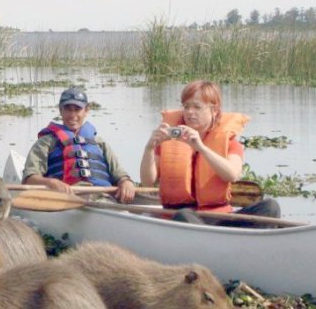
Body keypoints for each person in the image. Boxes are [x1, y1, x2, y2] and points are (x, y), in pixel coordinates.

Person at [138, 80, 280, 227]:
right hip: (181, 219)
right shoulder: (168, 141)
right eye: (186, 107)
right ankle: (218, 243)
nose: (189, 112)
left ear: (214, 110)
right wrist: (149, 148)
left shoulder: (230, 143)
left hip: (219, 218)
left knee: (270, 207)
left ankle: (224, 242)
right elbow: (147, 181)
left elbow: (232, 174)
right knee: (184, 214)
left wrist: (201, 148)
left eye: (197, 107)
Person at [22, 86, 136, 203]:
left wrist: (126, 182)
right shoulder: (46, 143)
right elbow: (29, 179)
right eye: (68, 109)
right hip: (66, 198)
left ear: (86, 110)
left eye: (77, 109)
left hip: (103, 196)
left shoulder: (99, 143)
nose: (72, 115)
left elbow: (119, 174)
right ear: (61, 110)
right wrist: (51, 183)